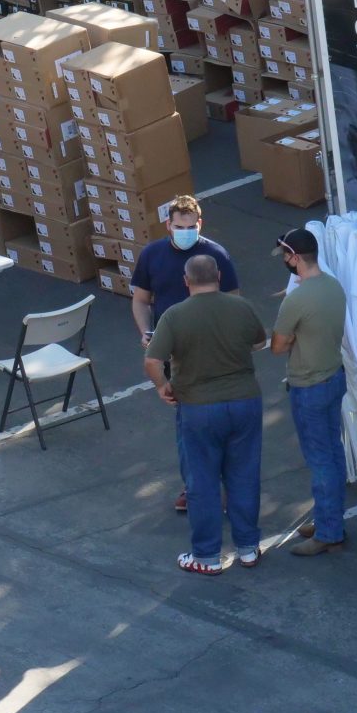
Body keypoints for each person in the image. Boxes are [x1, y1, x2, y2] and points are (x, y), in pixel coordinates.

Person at [145, 255, 267, 575]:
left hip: (198, 408)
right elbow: (259, 342)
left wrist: (163, 387)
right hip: (245, 401)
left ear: (186, 281)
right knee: (243, 475)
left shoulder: (174, 316)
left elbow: (152, 362)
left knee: (203, 482)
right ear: (220, 276)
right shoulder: (241, 307)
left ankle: (207, 556)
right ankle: (249, 548)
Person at [131, 195, 239, 514]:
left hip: (210, 354)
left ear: (199, 225)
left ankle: (202, 487)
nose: (185, 232)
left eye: (190, 227)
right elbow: (140, 300)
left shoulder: (216, 255)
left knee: (197, 425)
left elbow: (233, 301)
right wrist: (145, 331)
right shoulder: (152, 255)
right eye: (179, 227)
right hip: (173, 354)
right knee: (187, 424)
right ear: (168, 225)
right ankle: (196, 485)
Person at [270, 228, 348, 556]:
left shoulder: (296, 299)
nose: (285, 262)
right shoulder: (333, 286)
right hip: (334, 377)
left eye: (286, 256)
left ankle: (328, 532)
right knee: (333, 452)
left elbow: (277, 347)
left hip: (308, 386)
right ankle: (330, 518)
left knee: (320, 461)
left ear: (296, 258)